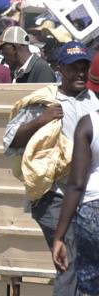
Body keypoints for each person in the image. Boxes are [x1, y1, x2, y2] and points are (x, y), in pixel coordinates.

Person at [4, 41, 97, 296]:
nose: (79, 72)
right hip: (52, 195)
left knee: (85, 261)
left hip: (86, 197)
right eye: (73, 67)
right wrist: (42, 120)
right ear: (60, 69)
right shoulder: (44, 101)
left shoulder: (94, 102)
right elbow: (10, 141)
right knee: (68, 255)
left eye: (84, 67)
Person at [51, 57, 99, 295]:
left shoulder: (89, 124)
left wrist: (60, 236)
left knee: (90, 282)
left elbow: (77, 183)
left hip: (93, 208)